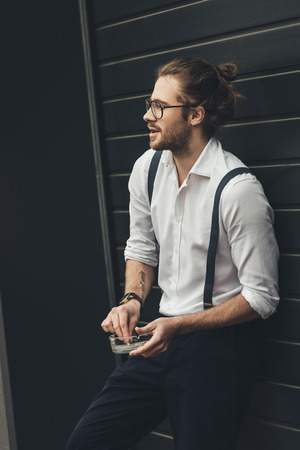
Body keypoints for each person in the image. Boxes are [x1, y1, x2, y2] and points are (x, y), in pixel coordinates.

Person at [66, 57, 279, 450]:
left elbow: (261, 298)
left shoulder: (237, 190)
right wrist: (132, 299)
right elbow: (142, 248)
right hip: (160, 336)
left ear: (196, 114)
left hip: (219, 350)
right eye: (150, 104)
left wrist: (181, 326)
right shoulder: (147, 169)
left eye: (160, 107)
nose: (148, 115)